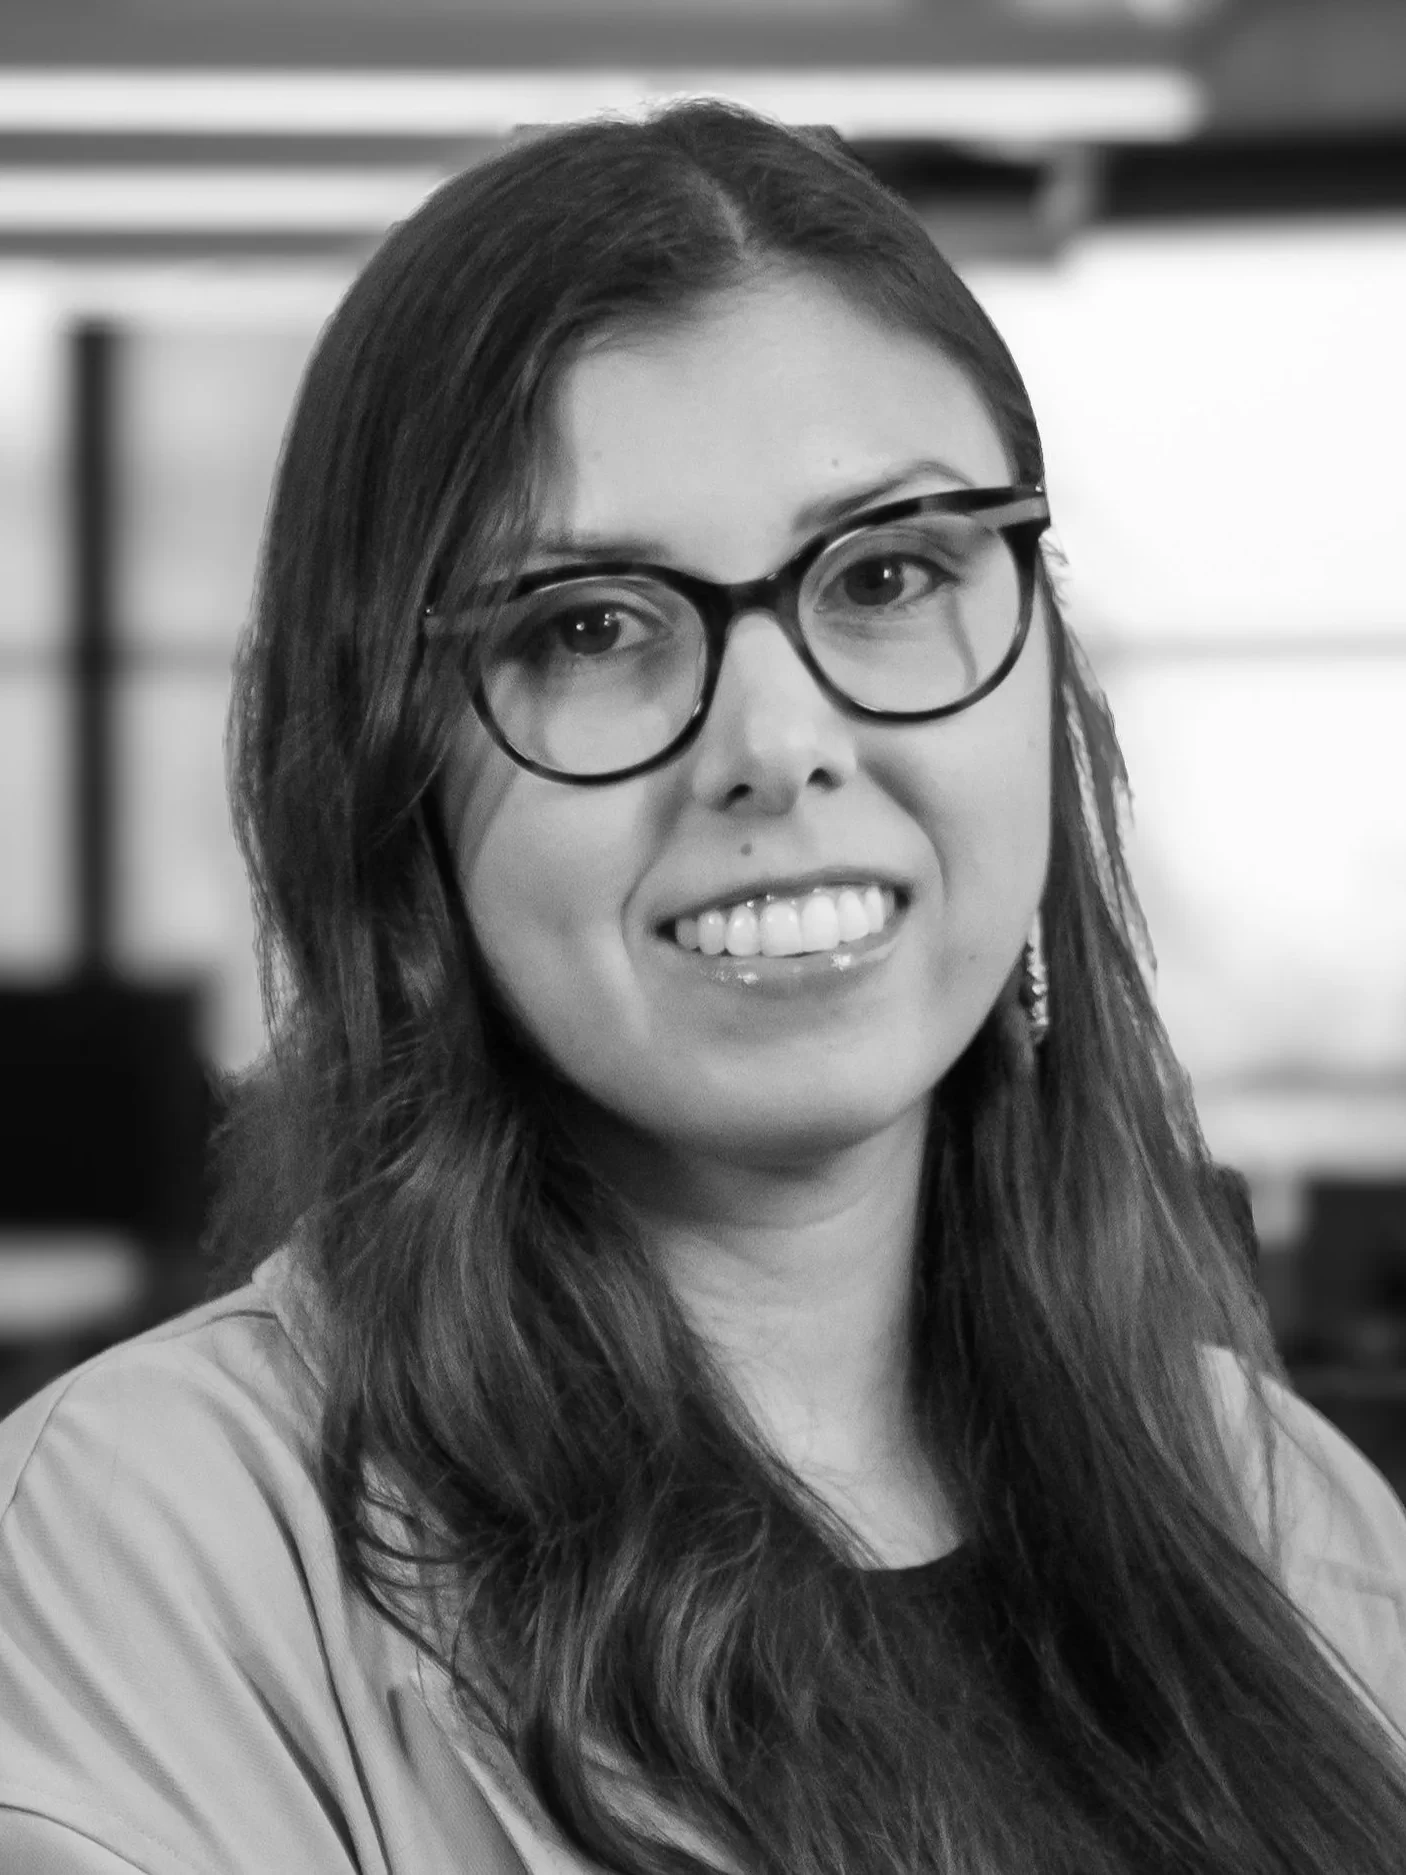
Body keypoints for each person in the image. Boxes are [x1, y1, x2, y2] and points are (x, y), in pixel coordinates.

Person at [1, 98, 1404, 1875]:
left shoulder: (1284, 1512)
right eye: (587, 624)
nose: (778, 744)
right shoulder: (147, 1556)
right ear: (386, 775)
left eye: (889, 573)